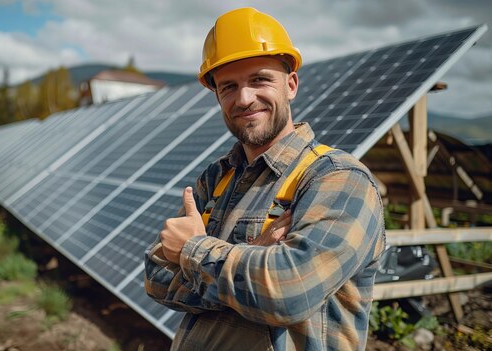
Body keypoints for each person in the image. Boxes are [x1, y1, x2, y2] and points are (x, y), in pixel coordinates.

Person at [144, 8, 385, 350]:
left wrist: (192, 251)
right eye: (229, 86)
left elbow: (289, 290)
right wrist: (253, 257)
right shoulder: (216, 178)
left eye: (259, 79)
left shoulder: (338, 179)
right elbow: (155, 277)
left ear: (291, 85)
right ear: (217, 96)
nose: (244, 98)